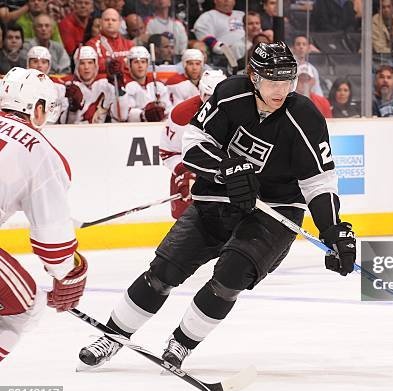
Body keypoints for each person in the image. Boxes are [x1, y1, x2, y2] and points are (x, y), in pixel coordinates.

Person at [78, 41, 356, 370]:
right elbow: (194, 145)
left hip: (275, 211)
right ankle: (112, 336)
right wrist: (225, 170)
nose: (281, 90)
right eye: (273, 82)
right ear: (254, 77)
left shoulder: (305, 117)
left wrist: (333, 229)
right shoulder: (229, 94)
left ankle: (180, 344)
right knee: (163, 272)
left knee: (230, 276)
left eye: (288, 82)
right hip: (215, 201)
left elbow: (319, 182)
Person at [0, 67, 88, 363]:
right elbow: (52, 241)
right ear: (37, 108)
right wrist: (68, 272)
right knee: (25, 305)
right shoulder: (40, 150)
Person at [160, 70, 227, 220]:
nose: (214, 104)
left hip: (225, 184)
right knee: (184, 237)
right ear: (201, 93)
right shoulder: (181, 114)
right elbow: (168, 152)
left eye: (219, 98)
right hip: (189, 180)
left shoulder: (241, 113)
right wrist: (184, 173)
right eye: (209, 97)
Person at [111, 45, 170, 122]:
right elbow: (123, 116)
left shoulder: (158, 85)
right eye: (136, 62)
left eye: (143, 62)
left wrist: (162, 112)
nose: (140, 66)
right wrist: (144, 115)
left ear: (147, 64)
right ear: (129, 65)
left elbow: (169, 108)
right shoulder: (124, 85)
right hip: (133, 129)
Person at [64, 45, 117, 123]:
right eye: (82, 63)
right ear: (77, 66)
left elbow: (121, 117)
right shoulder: (70, 87)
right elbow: (64, 123)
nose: (86, 67)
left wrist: (118, 88)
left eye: (90, 62)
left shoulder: (106, 84)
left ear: (95, 65)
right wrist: (73, 109)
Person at [25, 45, 67, 122]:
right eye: (35, 61)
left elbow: (63, 116)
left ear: (49, 65)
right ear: (28, 63)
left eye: (43, 62)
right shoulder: (21, 83)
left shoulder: (59, 87)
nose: (39, 65)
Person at [86, 7, 133, 74]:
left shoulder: (129, 44)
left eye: (113, 20)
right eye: (106, 20)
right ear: (101, 22)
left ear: (119, 23)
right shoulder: (92, 44)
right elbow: (94, 67)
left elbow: (135, 66)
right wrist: (123, 64)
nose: (110, 22)